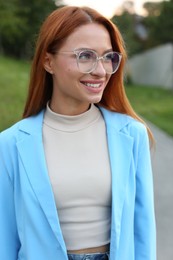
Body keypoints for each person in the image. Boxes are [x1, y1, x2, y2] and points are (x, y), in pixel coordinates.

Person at [0, 5, 156, 260]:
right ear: (48, 61)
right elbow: (4, 240)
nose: (101, 70)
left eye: (108, 57)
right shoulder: (10, 144)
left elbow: (143, 233)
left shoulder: (132, 135)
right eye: (85, 56)